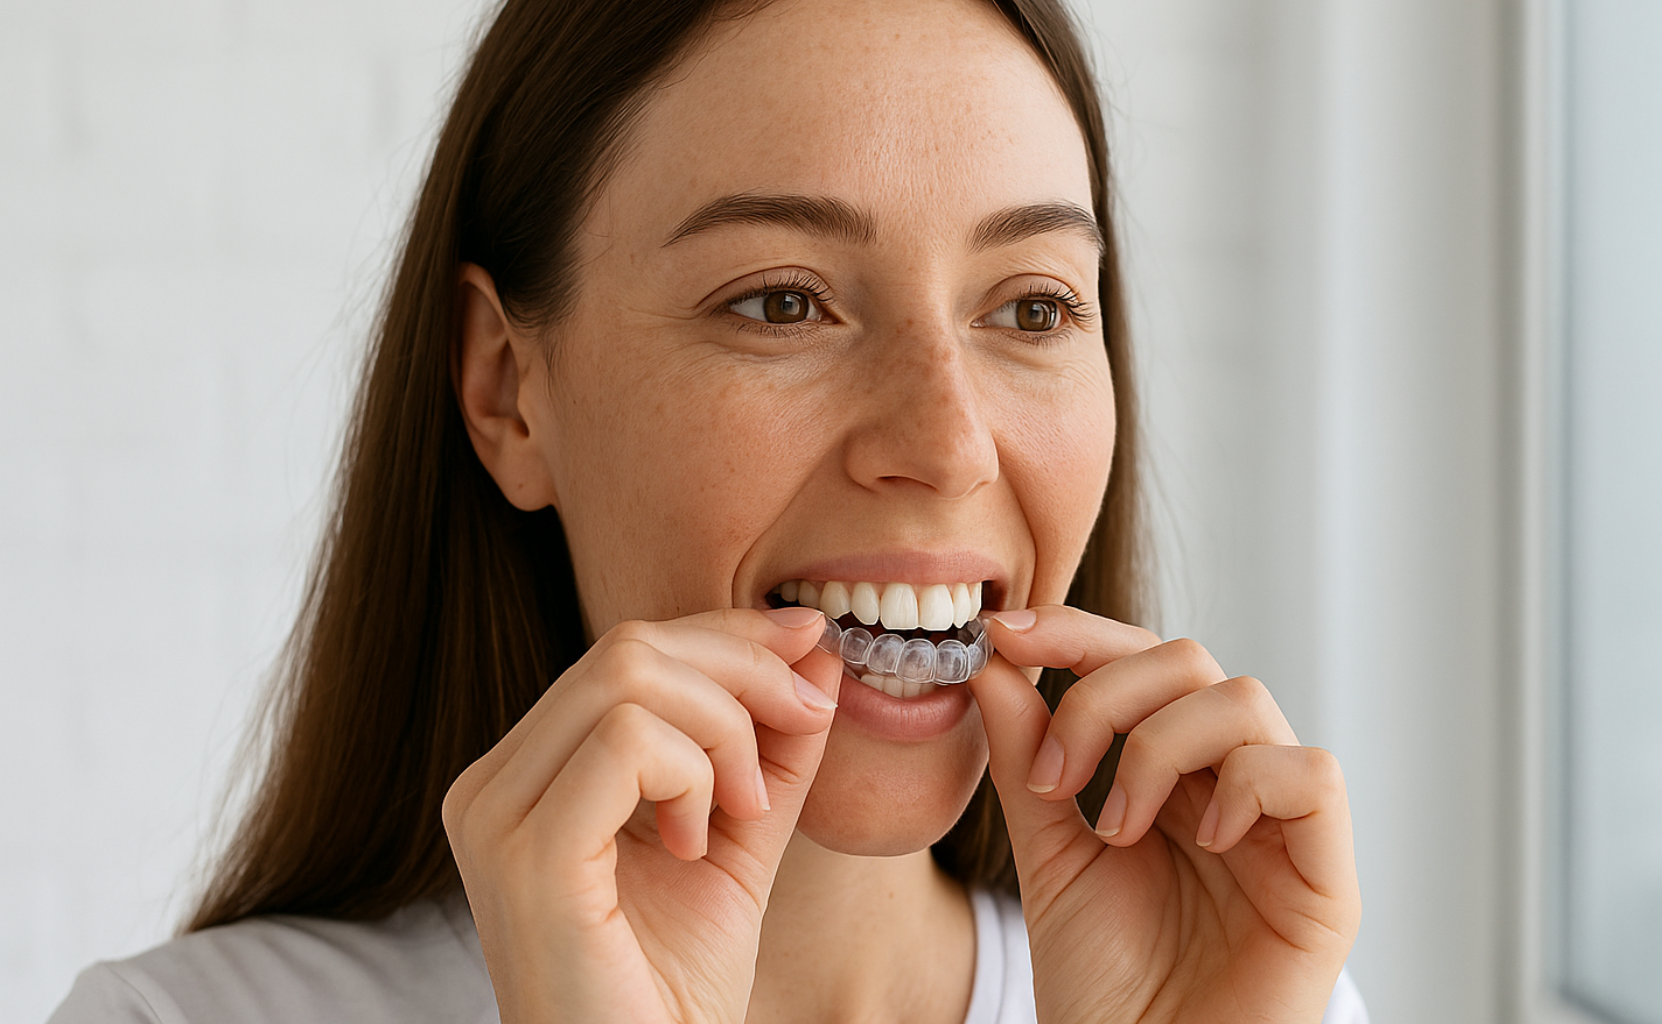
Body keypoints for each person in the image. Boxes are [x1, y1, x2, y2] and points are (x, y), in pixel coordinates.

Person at [50, 0, 1367, 1020]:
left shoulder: (1265, 1002)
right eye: (782, 302)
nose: (948, 444)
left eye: (1032, 307)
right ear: (508, 389)